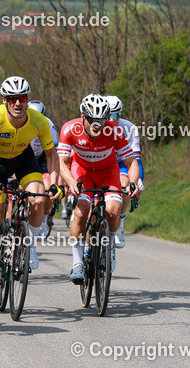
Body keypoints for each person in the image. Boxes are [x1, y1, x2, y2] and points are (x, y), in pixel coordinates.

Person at [0, 77, 77, 292]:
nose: (17, 103)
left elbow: (51, 155)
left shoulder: (38, 121)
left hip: (23, 159)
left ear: (27, 99)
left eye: (22, 98)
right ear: (4, 100)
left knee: (39, 200)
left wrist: (55, 184)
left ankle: (30, 246)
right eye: (12, 99)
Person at [56, 94, 141, 283]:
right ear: (83, 116)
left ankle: (109, 249)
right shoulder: (70, 128)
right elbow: (60, 162)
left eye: (101, 120)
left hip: (107, 172)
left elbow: (131, 161)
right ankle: (77, 262)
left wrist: (133, 182)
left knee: (112, 211)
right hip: (82, 172)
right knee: (80, 212)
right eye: (93, 120)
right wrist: (69, 181)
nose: (98, 125)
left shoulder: (114, 131)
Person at [104, 95, 144, 248]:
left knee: (125, 185)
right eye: (108, 115)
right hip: (99, 164)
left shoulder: (130, 128)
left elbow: (136, 160)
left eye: (115, 115)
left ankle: (119, 224)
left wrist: (138, 180)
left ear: (120, 114)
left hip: (120, 163)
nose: (111, 119)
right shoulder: (95, 126)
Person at [27, 100, 60, 236]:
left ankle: (44, 219)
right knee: (15, 194)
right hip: (23, 159)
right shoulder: (19, 123)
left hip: (41, 159)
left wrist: (55, 183)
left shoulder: (49, 126)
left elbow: (54, 154)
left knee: (47, 190)